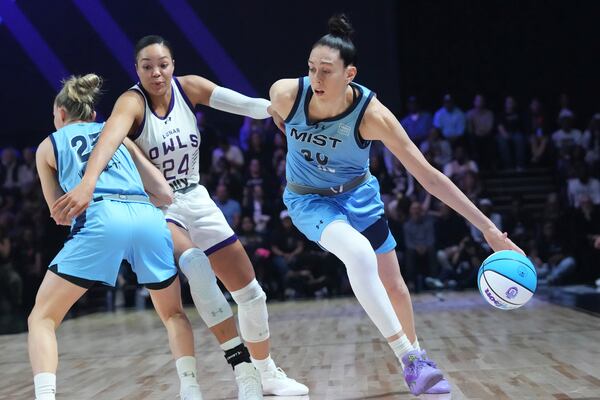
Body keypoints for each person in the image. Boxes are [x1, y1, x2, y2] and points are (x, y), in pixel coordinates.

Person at [268, 14, 523, 396]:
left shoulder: (373, 116)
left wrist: (486, 227)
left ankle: (417, 360)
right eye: (310, 68)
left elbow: (430, 177)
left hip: (359, 196)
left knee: (396, 286)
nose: (315, 79)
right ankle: (410, 358)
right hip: (309, 200)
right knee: (357, 254)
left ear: (349, 73)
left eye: (326, 71)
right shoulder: (287, 94)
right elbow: (277, 117)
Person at [51, 36, 308, 399]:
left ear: (173, 64)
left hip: (196, 197)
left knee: (251, 294)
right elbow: (107, 140)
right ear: (136, 69)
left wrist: (277, 110)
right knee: (196, 265)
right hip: (158, 205)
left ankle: (266, 372)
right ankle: (241, 367)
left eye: (163, 64)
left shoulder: (189, 88)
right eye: (147, 66)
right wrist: (88, 184)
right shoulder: (131, 102)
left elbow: (248, 105)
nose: (156, 73)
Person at [30, 74, 203, 400]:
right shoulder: (118, 136)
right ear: (94, 115)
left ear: (60, 114)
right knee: (173, 314)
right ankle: (192, 389)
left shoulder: (47, 145)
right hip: (146, 218)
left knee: (42, 317)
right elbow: (165, 193)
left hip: (101, 217)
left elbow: (58, 212)